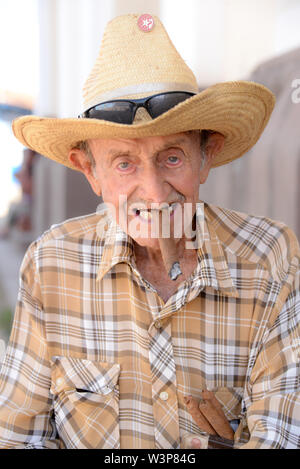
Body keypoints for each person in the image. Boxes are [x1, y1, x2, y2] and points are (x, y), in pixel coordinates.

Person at [0, 14, 299, 449]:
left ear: (205, 156)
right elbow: (18, 438)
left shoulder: (271, 258)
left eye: (172, 157)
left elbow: (284, 438)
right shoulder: (52, 266)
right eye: (124, 163)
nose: (156, 195)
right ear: (91, 172)